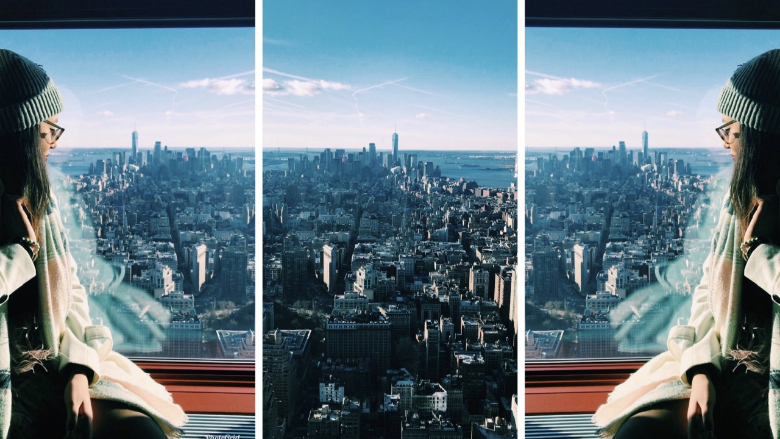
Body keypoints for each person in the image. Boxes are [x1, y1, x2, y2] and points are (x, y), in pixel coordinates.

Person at [592, 48, 780, 439]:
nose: (725, 142)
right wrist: (700, 370)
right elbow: (709, 293)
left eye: (731, 130)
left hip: (768, 390)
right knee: (637, 435)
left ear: (760, 136)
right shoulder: (737, 203)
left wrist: (762, 253)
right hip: (725, 365)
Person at [0, 49, 187, 438]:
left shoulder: (41, 203)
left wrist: (79, 370)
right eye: (49, 130)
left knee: (143, 434)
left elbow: (70, 292)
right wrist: (17, 253)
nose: (54, 143)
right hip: (12, 388)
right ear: (21, 135)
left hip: (53, 365)